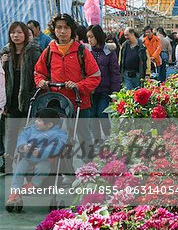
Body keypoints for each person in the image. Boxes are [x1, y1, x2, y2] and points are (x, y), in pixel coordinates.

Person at [34, 13, 101, 161]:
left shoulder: (81, 51)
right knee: (61, 140)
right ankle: (67, 174)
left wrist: (79, 86)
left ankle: (89, 169)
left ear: (72, 30)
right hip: (57, 104)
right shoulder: (49, 51)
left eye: (66, 27)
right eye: (59, 27)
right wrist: (41, 81)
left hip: (80, 104)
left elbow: (95, 76)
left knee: (84, 136)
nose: (62, 31)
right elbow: (38, 72)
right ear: (54, 30)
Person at [2, 22, 42, 173]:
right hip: (11, 99)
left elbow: (40, 74)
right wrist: (2, 62)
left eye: (19, 32)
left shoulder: (34, 52)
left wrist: (34, 94)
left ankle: (29, 165)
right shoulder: (5, 52)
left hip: (29, 99)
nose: (15, 36)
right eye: (13, 33)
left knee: (30, 133)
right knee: (11, 133)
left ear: (25, 34)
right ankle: (8, 163)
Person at [7, 108, 68, 206]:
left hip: (45, 159)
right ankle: (15, 192)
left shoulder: (57, 134)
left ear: (49, 125)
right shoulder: (30, 129)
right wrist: (24, 146)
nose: (36, 122)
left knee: (42, 168)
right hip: (28, 158)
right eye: (36, 119)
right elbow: (22, 137)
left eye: (39, 121)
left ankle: (33, 184)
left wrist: (41, 151)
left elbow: (56, 146)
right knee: (18, 170)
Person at [86, 25, 121, 143]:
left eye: (91, 37)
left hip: (104, 90)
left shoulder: (109, 51)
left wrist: (115, 91)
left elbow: (115, 72)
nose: (89, 40)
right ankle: (96, 140)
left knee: (102, 114)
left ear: (98, 36)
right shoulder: (87, 51)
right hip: (90, 90)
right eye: (88, 37)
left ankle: (109, 137)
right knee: (93, 116)